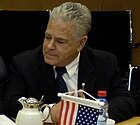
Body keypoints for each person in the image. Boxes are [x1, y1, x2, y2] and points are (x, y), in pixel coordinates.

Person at [4, 2, 136, 123]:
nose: (49, 46)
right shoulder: (25, 63)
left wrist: (88, 112)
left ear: (81, 43)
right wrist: (49, 112)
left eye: (60, 41)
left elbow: (126, 102)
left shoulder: (104, 63)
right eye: (47, 37)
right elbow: (10, 104)